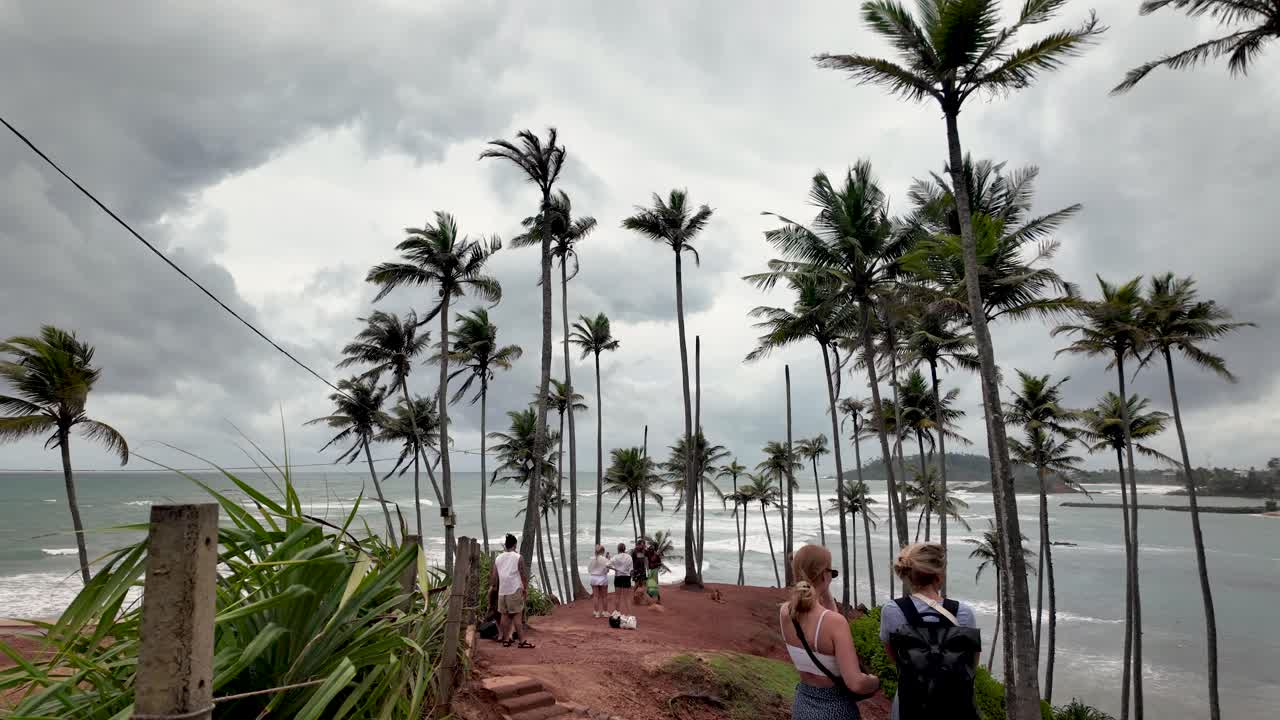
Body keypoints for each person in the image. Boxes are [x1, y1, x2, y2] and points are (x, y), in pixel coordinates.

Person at [880, 543, 981, 720]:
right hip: (954, 705)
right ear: (939, 576)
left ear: (909, 575)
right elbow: (971, 663)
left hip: (909, 704)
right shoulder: (964, 613)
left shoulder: (892, 610)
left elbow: (894, 657)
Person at [780, 544, 880, 720]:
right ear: (824, 575)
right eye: (832, 572)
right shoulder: (834, 623)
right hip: (835, 709)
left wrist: (824, 592)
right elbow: (855, 683)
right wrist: (875, 681)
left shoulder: (786, 612)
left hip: (803, 704)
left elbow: (826, 619)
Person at [491, 533, 534, 648]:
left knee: (504, 616)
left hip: (502, 592)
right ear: (515, 545)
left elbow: (494, 576)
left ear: (505, 545)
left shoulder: (498, 558)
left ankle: (506, 640)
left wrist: (494, 588)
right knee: (517, 617)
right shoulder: (518, 557)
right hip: (514, 589)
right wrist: (525, 588)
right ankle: (522, 641)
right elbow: (523, 574)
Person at [609, 542, 633, 616]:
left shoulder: (615, 557)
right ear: (624, 549)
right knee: (627, 597)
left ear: (618, 549)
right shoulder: (629, 557)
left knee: (617, 596)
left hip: (618, 577)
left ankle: (617, 612)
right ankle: (629, 614)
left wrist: (615, 569)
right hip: (626, 577)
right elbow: (631, 569)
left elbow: (607, 565)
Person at [587, 544, 611, 618]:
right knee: (604, 596)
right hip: (602, 578)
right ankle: (605, 612)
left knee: (596, 596)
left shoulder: (592, 559)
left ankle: (596, 612)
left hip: (594, 578)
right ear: (603, 551)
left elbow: (589, 570)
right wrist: (608, 559)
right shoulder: (605, 559)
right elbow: (607, 570)